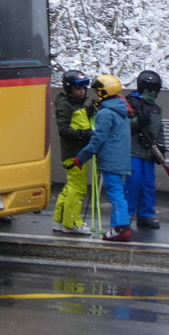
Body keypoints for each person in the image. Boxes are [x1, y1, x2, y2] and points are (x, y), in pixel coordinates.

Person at [71, 74, 134, 242]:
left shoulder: (106, 113)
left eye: (98, 92)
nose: (96, 95)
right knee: (118, 192)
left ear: (104, 92)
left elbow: (98, 139)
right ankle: (117, 226)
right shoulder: (122, 110)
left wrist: (81, 158)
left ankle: (122, 227)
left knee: (115, 193)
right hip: (121, 159)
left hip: (110, 160)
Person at [52, 69, 96, 235]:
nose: (82, 91)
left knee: (70, 188)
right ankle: (71, 223)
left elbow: (81, 120)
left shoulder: (76, 104)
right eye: (78, 88)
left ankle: (59, 220)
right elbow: (64, 130)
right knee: (77, 189)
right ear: (69, 88)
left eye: (84, 88)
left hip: (77, 152)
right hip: (75, 154)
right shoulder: (66, 104)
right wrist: (86, 135)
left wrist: (91, 109)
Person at [126, 69, 166, 230]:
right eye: (152, 89)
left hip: (149, 153)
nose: (154, 92)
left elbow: (160, 129)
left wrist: (161, 147)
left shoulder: (156, 109)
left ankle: (146, 215)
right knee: (133, 182)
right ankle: (126, 215)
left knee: (148, 183)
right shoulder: (131, 103)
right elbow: (123, 125)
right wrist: (137, 122)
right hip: (133, 151)